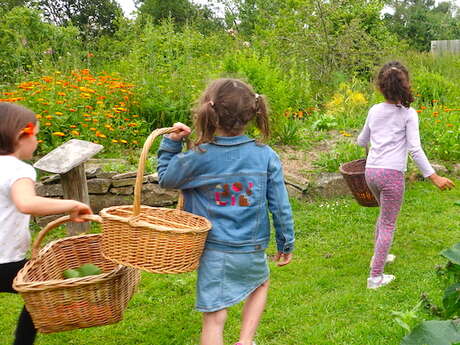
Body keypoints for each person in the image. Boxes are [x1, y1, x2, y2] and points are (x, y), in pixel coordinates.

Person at [157, 78, 295, 345]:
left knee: (214, 315)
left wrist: (172, 144)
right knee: (259, 284)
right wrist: (285, 242)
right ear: (253, 114)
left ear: (210, 111)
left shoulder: (199, 155)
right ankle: (246, 341)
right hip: (252, 247)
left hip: (215, 250)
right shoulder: (265, 155)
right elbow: (280, 205)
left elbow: (166, 178)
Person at [0, 102, 93, 345]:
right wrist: (71, 205)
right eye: (37, 136)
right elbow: (26, 203)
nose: (37, 142)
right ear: (22, 135)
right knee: (40, 292)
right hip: (5, 261)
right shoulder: (17, 170)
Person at [357, 61, 455, 289]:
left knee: (383, 217)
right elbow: (414, 149)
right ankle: (375, 277)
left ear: (380, 87)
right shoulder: (408, 114)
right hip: (391, 176)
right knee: (388, 224)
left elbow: (361, 140)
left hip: (371, 173)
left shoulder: (374, 110)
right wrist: (434, 177)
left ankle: (378, 257)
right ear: (406, 85)